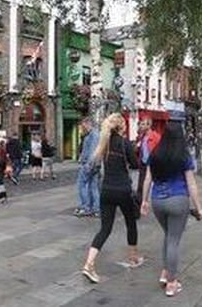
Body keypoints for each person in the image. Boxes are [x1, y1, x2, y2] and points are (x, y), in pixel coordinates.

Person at [141, 121, 202, 297]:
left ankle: (165, 272)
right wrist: (199, 208)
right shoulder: (183, 155)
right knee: (173, 240)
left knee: (168, 235)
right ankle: (172, 282)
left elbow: (147, 179)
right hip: (178, 200)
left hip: (157, 201)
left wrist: (144, 201)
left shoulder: (155, 153)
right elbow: (191, 183)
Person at [81, 113, 143, 284]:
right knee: (131, 222)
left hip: (106, 190)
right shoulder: (125, 143)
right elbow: (136, 164)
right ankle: (133, 258)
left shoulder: (104, 144)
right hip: (123, 190)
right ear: (121, 127)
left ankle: (89, 264)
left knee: (105, 229)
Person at [74, 117, 100, 217]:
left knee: (82, 184)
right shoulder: (92, 134)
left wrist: (88, 165)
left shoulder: (93, 135)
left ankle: (86, 207)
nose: (82, 126)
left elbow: (92, 151)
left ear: (88, 123)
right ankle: (96, 208)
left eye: (83, 124)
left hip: (89, 164)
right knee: (93, 186)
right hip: (94, 164)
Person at [135, 118, 161, 202]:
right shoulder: (141, 137)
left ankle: (160, 200)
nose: (140, 126)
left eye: (142, 124)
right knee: (141, 185)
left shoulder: (155, 136)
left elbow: (160, 149)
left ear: (148, 125)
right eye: (140, 124)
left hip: (154, 164)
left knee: (157, 183)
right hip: (143, 163)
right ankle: (139, 203)